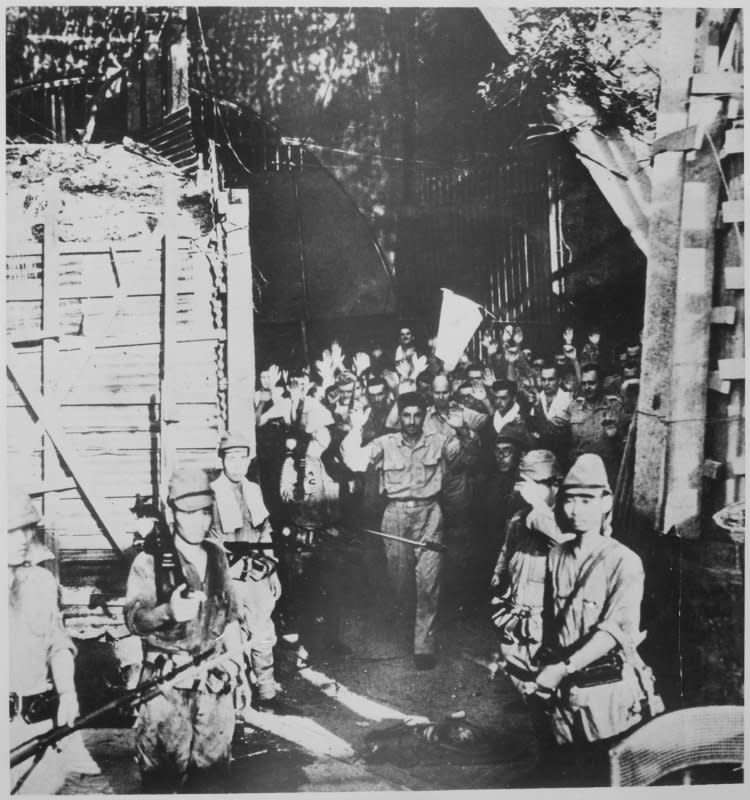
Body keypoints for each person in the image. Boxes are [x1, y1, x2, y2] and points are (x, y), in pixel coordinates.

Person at [532, 454, 663, 786]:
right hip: (563, 696)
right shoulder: (556, 555)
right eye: (570, 501)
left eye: (587, 500)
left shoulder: (624, 561)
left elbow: (615, 631)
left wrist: (562, 668)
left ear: (606, 502)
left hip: (607, 697)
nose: (576, 510)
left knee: (601, 777)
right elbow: (548, 620)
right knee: (563, 774)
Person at [125, 467, 249, 791]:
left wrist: (241, 675)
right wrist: (168, 611)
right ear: (171, 510)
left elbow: (231, 617)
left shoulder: (218, 555)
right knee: (162, 782)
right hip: (167, 692)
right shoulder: (149, 561)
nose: (199, 521)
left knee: (213, 782)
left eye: (206, 512)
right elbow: (135, 619)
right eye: (188, 513)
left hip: (215, 687)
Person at [341, 392, 480, 669]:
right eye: (407, 415)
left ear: (424, 416)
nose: (412, 421)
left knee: (429, 583)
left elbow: (471, 456)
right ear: (400, 415)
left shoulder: (438, 442)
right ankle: (406, 627)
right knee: (401, 584)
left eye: (418, 415)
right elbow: (354, 461)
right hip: (395, 515)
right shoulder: (385, 443)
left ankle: (423, 647)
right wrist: (355, 427)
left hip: (430, 515)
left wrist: (463, 429)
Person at [8, 486, 100, 795]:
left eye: (27, 529)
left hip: (37, 724)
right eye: (10, 530)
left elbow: (58, 644)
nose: (23, 539)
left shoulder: (42, 583)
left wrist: (68, 693)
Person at [489, 451, 572, 754]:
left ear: (555, 484)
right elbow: (506, 547)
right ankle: (545, 749)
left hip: (545, 616)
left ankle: (556, 758)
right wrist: (498, 576)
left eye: (532, 483)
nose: (524, 490)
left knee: (547, 690)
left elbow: (568, 547)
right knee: (520, 671)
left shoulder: (561, 517)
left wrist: (539, 507)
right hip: (518, 608)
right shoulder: (519, 517)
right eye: (522, 482)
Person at [210, 432, 282, 711]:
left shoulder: (253, 489)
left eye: (242, 458)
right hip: (231, 573)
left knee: (263, 631)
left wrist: (271, 568)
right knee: (232, 636)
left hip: (258, 572)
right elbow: (211, 538)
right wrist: (227, 570)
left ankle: (267, 694)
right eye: (231, 458)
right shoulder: (213, 493)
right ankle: (235, 703)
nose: (237, 465)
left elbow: (265, 530)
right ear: (222, 460)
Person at [568, 363, 626, 488]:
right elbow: (559, 436)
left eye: (592, 383)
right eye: (584, 383)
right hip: (581, 475)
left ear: (602, 383)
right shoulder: (573, 407)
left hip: (608, 475)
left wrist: (615, 435)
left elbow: (625, 446)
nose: (587, 387)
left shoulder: (615, 406)